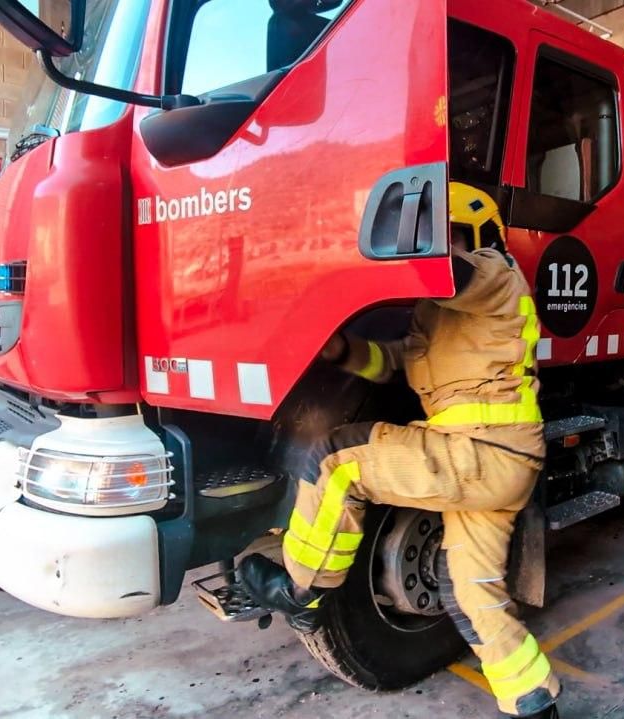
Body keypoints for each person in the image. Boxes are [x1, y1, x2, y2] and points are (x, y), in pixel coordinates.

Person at [239, 183, 560, 718]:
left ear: (476, 234)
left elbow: (451, 273)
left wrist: (365, 246)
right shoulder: (435, 318)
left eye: (448, 233)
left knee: (335, 460)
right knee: (472, 594)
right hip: (492, 463)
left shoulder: (493, 272)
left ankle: (302, 594)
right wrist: (340, 349)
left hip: (478, 452)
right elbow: (391, 364)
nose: (443, 245)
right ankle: (533, 700)